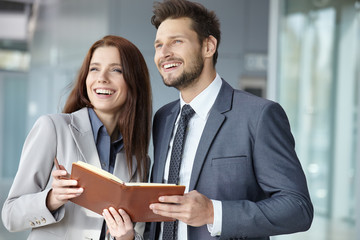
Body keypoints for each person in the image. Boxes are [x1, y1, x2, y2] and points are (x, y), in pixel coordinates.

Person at [146, 0, 313, 240]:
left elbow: (298, 209)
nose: (163, 53)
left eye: (177, 41)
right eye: (158, 45)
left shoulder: (258, 115)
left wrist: (214, 212)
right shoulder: (163, 117)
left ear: (208, 46)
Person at [2, 35, 152, 240]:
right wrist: (52, 199)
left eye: (116, 70)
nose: (102, 78)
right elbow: (10, 215)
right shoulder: (53, 128)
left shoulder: (139, 159)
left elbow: (139, 232)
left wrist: (127, 237)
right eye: (94, 69)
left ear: (134, 81)